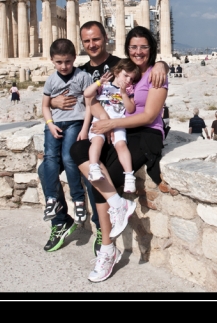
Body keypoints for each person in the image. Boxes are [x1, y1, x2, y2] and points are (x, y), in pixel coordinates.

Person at [48, 22, 168, 256]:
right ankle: (114, 208)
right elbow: (85, 99)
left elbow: (149, 115)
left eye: (144, 47)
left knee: (104, 177)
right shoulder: (123, 71)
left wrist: (163, 63)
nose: (138, 51)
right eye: (133, 47)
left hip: (144, 132)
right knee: (77, 152)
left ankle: (106, 246)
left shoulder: (155, 73)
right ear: (127, 50)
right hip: (118, 129)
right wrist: (52, 103)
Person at [38, 38, 99, 253]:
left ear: (74, 58)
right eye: (59, 62)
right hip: (56, 125)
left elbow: (89, 102)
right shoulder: (52, 80)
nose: (63, 66)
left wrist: (84, 128)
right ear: (53, 61)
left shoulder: (84, 76)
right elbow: (45, 105)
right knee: (46, 165)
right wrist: (50, 122)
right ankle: (59, 215)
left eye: (67, 62)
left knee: (73, 160)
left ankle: (88, 212)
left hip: (79, 125)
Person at [83, 58, 141, 194]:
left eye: (131, 79)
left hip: (118, 123)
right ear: (116, 72)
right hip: (99, 122)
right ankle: (94, 167)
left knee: (121, 145)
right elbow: (87, 94)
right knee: (97, 141)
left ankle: (129, 176)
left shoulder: (129, 90)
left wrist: (124, 94)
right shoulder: (104, 86)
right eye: (126, 75)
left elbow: (131, 109)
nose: (128, 80)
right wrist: (99, 82)